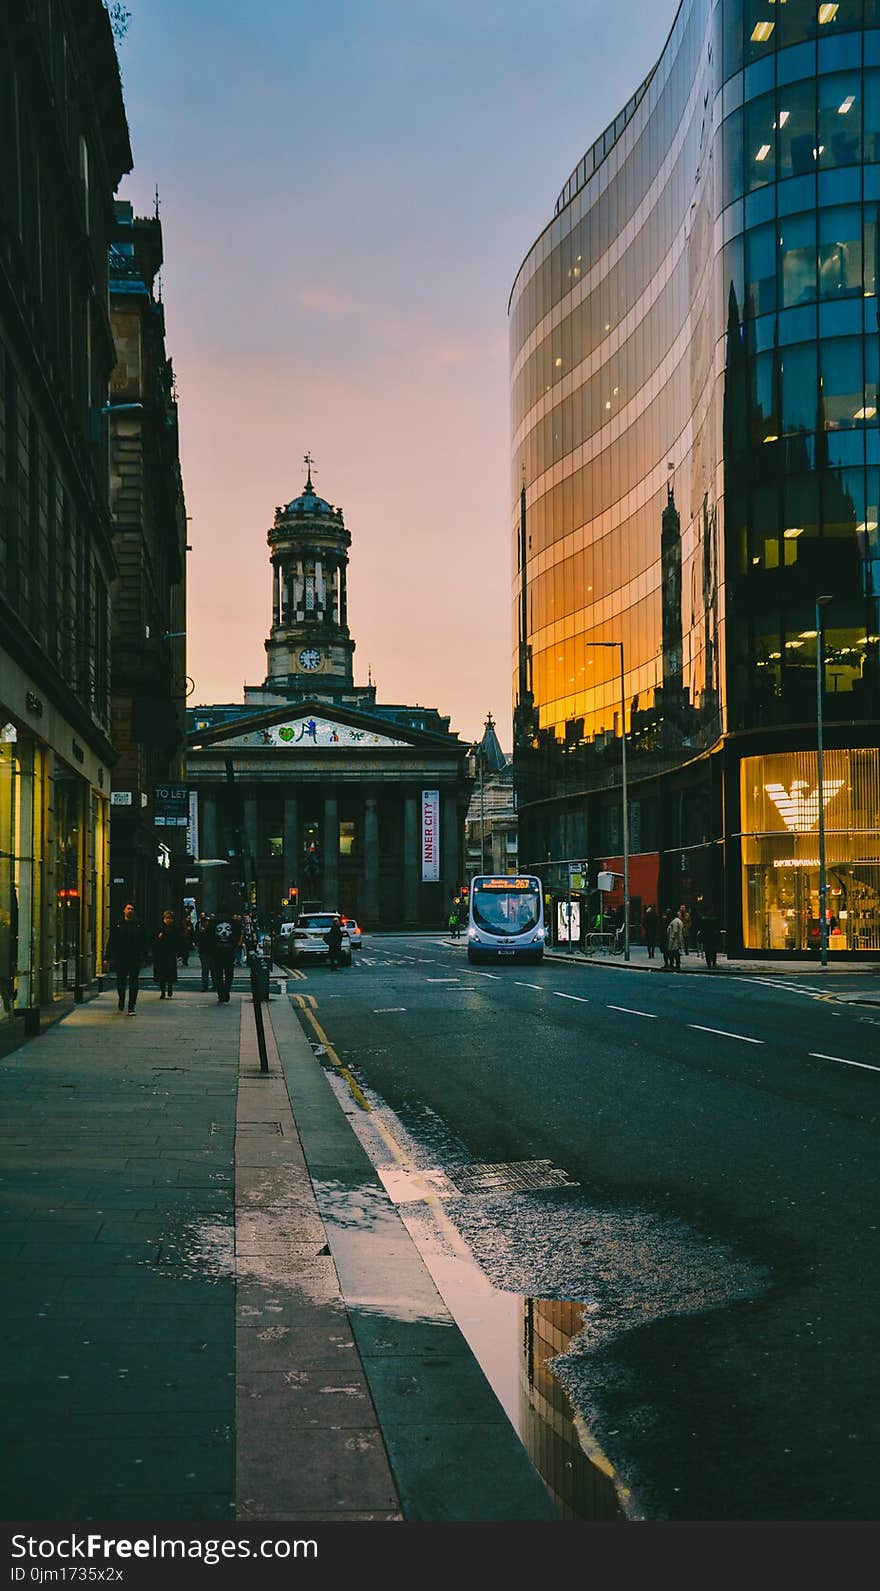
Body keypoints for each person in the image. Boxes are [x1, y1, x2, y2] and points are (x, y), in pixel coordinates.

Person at [106, 902, 147, 1014]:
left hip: (134, 958)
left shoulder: (139, 925)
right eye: (128, 908)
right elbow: (112, 941)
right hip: (121, 958)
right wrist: (108, 957)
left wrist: (144, 957)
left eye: (132, 909)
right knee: (121, 981)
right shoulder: (118, 924)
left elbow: (143, 942)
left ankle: (131, 1006)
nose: (130, 910)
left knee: (134, 982)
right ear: (124, 910)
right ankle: (121, 999)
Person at [205, 905, 242, 1003]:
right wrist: (233, 945)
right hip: (229, 951)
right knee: (229, 972)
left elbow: (207, 936)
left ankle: (221, 993)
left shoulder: (212, 922)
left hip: (216, 952)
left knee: (217, 973)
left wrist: (211, 948)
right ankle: (227, 990)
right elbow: (238, 934)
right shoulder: (233, 922)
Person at [152, 909, 182, 999]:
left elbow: (178, 941)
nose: (168, 920)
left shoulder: (175, 928)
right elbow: (153, 940)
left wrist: (179, 953)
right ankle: (162, 991)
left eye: (170, 918)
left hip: (170, 953)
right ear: (164, 919)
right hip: (161, 953)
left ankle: (169, 988)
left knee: (170, 972)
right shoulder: (159, 928)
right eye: (167, 918)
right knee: (162, 974)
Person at [194, 911, 214, 991]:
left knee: (208, 970)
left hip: (206, 951)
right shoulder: (205, 931)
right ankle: (207, 985)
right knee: (208, 969)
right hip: (205, 951)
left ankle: (206, 985)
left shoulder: (203, 931)